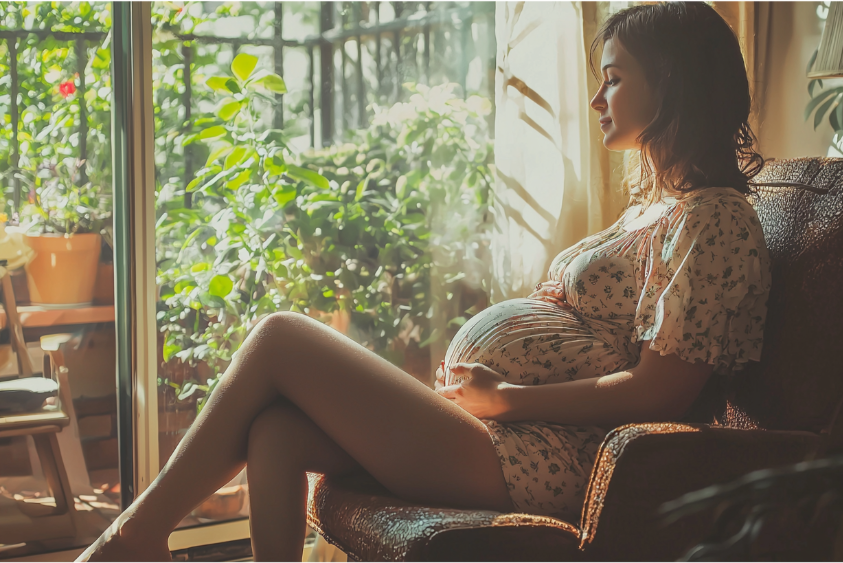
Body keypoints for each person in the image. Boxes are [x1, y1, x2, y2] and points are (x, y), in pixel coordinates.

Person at [77, 2, 770, 562]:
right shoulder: (653, 210)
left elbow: (664, 390)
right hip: (508, 434)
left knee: (280, 336)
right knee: (277, 428)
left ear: (673, 81)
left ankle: (133, 538)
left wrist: (509, 399)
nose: (596, 97)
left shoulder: (715, 219)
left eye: (615, 77)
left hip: (548, 458)